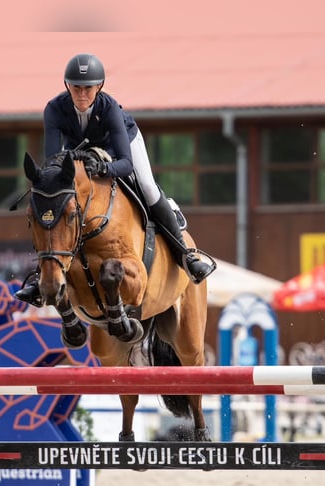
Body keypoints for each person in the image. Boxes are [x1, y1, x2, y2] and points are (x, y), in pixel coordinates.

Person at [14, 53, 215, 306]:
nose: (82, 94)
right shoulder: (54, 109)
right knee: (52, 201)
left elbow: (125, 163)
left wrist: (102, 168)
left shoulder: (109, 108)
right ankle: (40, 276)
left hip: (121, 148)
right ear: (67, 86)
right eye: (76, 87)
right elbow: (55, 163)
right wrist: (73, 160)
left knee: (148, 188)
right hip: (79, 155)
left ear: (99, 86)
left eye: (88, 88)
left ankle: (186, 256)